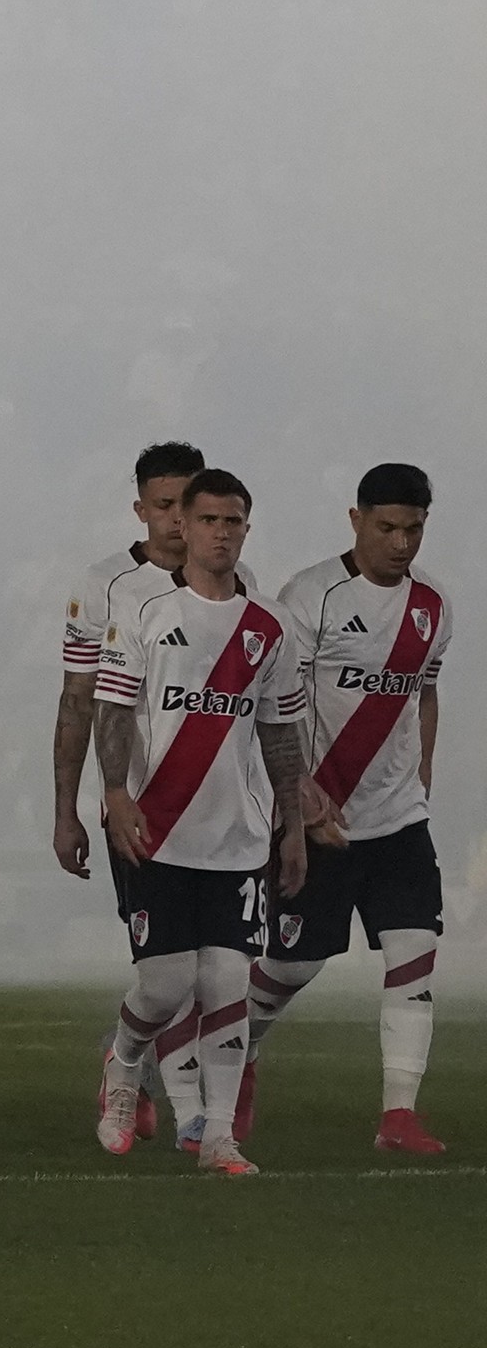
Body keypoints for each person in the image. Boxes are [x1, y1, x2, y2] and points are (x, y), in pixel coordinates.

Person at [91, 469, 313, 1176]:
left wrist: (293, 826)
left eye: (234, 521)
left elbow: (280, 731)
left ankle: (218, 1135)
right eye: (210, 519)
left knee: (225, 982)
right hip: (155, 828)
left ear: (246, 528)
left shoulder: (269, 627)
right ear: (183, 524)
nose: (222, 533)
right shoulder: (145, 610)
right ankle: (123, 1065)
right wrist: (115, 794)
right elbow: (114, 710)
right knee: (163, 986)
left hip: (237, 837)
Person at [54, 442, 256, 1151]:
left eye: (188, 505)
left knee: (217, 973)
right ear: (141, 508)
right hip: (143, 813)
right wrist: (73, 807)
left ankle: (196, 1116)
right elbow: (80, 702)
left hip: (226, 823)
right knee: (169, 975)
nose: (178, 521)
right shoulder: (108, 588)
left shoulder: (242, 590)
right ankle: (153, 1081)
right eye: (164, 506)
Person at [246, 463, 451, 1153]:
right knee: (291, 968)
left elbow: (422, 694)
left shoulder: (433, 607)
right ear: (356, 518)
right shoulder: (310, 598)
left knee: (415, 949)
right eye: (387, 527)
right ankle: (234, 1054)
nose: (401, 542)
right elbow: (279, 708)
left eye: (413, 529)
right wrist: (300, 801)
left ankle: (398, 1115)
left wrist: (420, 774)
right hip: (317, 818)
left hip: (398, 820)